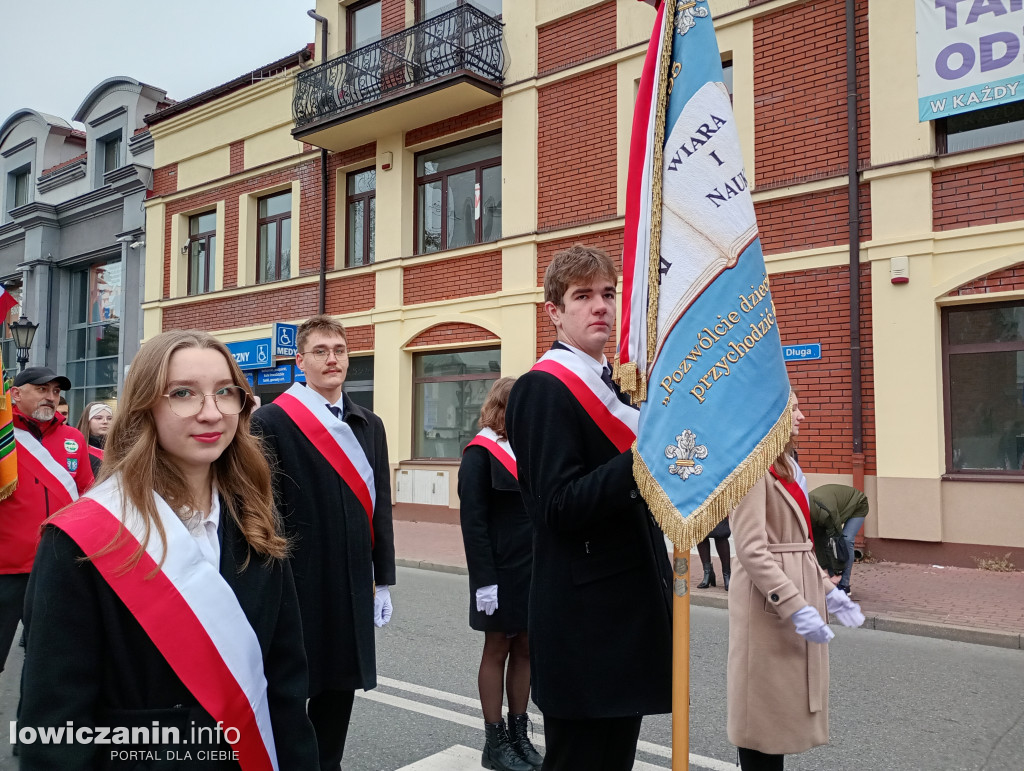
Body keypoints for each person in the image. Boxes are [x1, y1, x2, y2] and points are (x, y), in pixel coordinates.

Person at [18, 330, 318, 769]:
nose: (211, 413)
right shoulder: (80, 538)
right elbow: (54, 724)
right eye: (183, 394)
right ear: (145, 408)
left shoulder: (255, 521)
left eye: (225, 393)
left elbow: (286, 686)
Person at [505, 244, 672, 771]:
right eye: (583, 296)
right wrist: (641, 460)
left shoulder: (619, 387)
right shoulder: (541, 389)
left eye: (607, 293)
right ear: (554, 311)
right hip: (586, 626)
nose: (600, 306)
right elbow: (556, 506)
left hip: (626, 612)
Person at [252, 314, 395, 771]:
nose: (332, 359)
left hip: (351, 580)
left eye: (339, 351)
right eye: (320, 351)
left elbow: (380, 507)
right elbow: (261, 508)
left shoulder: (368, 423)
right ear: (301, 361)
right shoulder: (271, 421)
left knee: (339, 688)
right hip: (298, 580)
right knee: (293, 689)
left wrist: (383, 578)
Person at [727, 392, 865, 770]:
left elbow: (799, 547)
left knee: (780, 719)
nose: (802, 416)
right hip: (768, 611)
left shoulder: (784, 465)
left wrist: (828, 593)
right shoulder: (751, 469)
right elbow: (753, 550)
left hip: (793, 600)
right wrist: (796, 606)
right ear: (770, 418)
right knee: (762, 721)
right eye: (793, 410)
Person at [459, 377, 542, 771]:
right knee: (497, 649)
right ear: (504, 407)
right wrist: (484, 581)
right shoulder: (479, 454)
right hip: (499, 571)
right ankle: (495, 742)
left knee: (526, 648)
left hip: (532, 569)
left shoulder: (529, 450)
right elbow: (473, 524)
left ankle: (519, 735)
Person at [0, 366, 93, 681]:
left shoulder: (73, 438)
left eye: (56, 391)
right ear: (16, 394)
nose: (51, 397)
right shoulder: (4, 435)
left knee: (49, 659)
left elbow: (87, 493)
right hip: (6, 568)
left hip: (56, 564)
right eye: (42, 389)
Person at [809, 484, 869, 596]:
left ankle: (844, 585)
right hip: (835, 506)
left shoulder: (826, 514)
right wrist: (824, 570)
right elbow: (818, 543)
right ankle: (831, 583)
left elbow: (836, 541)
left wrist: (837, 573)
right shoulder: (809, 515)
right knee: (822, 541)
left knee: (846, 540)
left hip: (857, 504)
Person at [77, 401, 114, 475]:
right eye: (99, 418)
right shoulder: (77, 447)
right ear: (87, 421)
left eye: (109, 418)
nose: (105, 422)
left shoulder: (119, 448)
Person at [695, 517, 731, 590]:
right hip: (697, 505)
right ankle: (707, 573)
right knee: (700, 533)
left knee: (721, 532)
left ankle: (727, 575)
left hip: (718, 505)